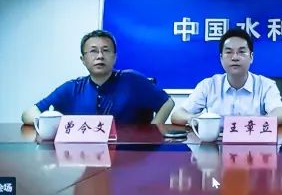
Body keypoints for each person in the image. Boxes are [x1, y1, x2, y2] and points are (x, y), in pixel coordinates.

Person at [22, 30, 174, 125]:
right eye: (93, 51)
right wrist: (52, 125)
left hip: (130, 156)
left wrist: (153, 131)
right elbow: (29, 113)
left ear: (114, 57)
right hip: (85, 158)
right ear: (83, 59)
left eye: (106, 50)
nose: (100, 56)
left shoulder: (132, 80)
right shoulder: (72, 88)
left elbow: (167, 102)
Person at [170, 27, 282, 125]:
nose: (235, 57)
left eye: (241, 52)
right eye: (229, 52)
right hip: (216, 144)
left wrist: (252, 124)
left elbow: (280, 114)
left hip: (253, 143)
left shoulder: (265, 85)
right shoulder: (208, 85)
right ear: (221, 58)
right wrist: (195, 119)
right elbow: (177, 115)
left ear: (251, 57)